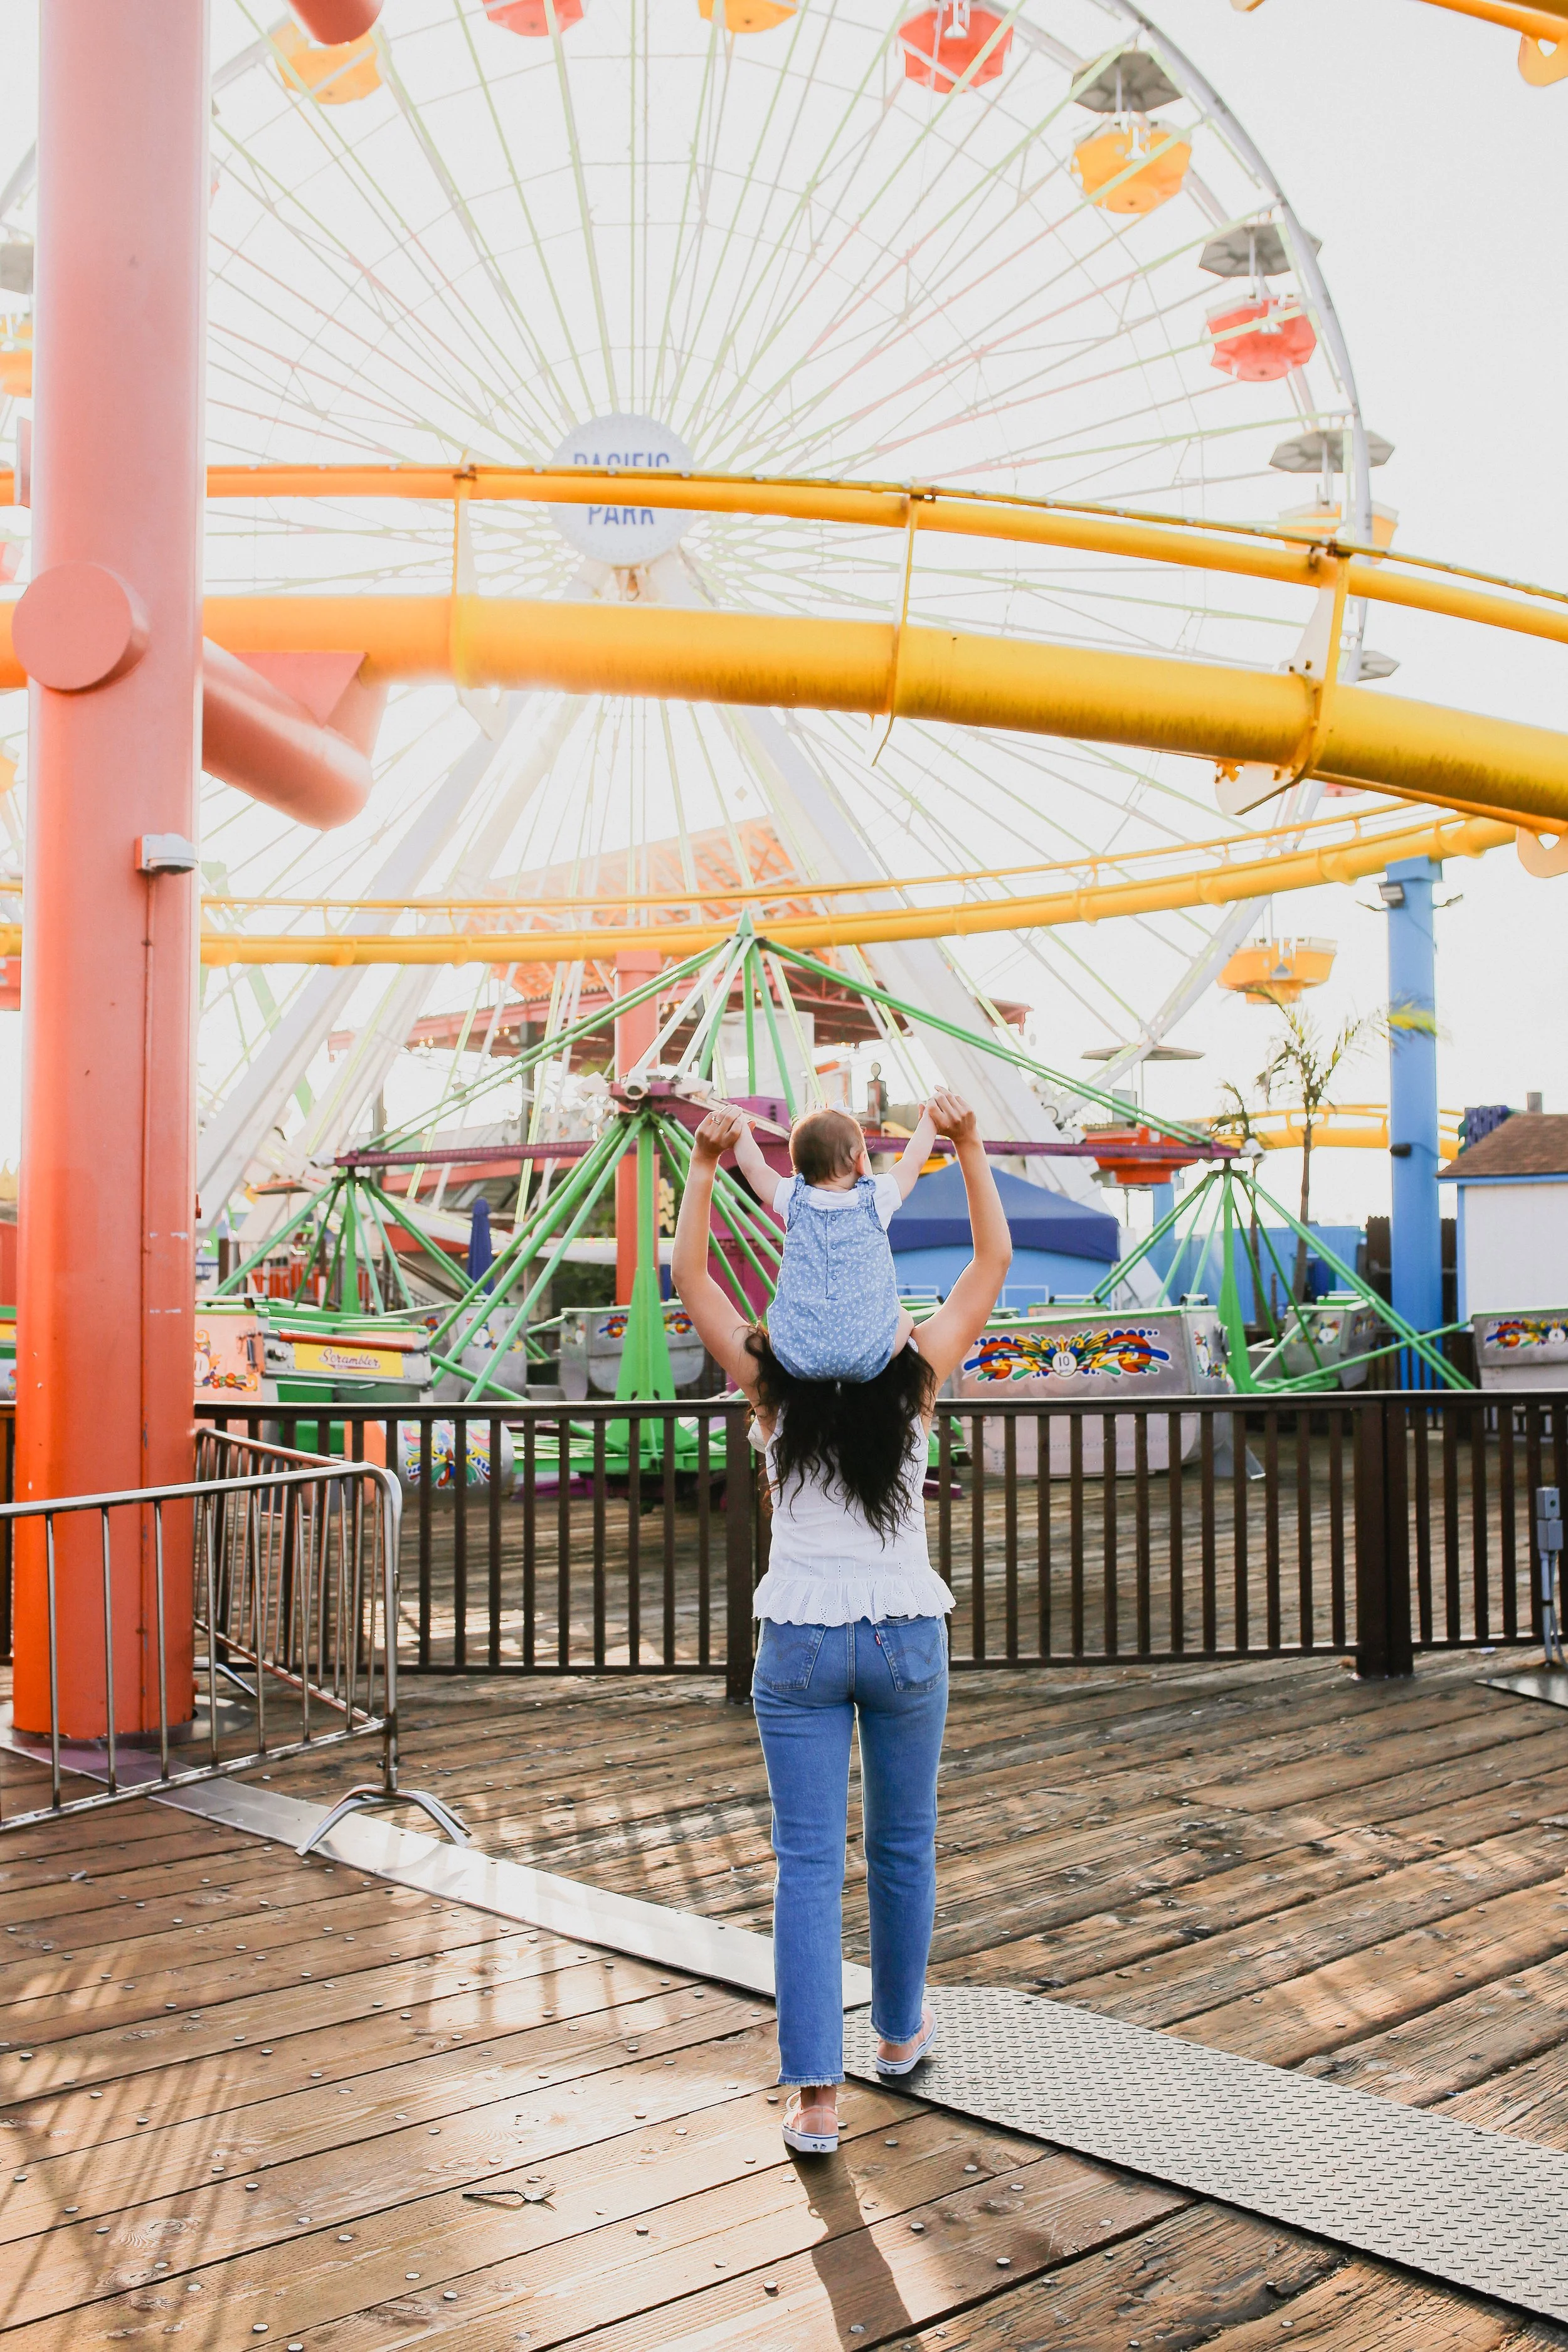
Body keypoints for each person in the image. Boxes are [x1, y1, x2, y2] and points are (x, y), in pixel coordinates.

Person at [672, 1089, 1011, 2155]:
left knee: (809, 1865)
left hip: (800, 1642)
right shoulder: (915, 1373)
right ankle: (901, 2040)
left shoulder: (771, 1376)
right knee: (904, 1848)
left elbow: (692, 1280)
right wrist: (967, 1149)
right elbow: (987, 1268)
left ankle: (816, 2098)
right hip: (907, 1632)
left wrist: (703, 1167)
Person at [729, 1101, 937, 1382]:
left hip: (795, 1354)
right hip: (867, 1355)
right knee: (904, 1317)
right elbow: (912, 1163)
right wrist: (929, 1123)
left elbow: (754, 1169)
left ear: (798, 1168)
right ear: (861, 1160)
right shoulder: (876, 1198)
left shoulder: (793, 1198)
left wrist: (741, 1133)